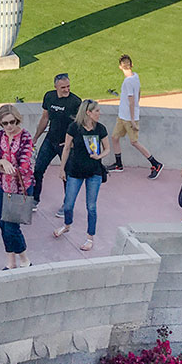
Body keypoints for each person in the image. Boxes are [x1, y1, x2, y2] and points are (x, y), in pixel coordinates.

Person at [55, 99, 111, 251]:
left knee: (91, 206)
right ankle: (67, 225)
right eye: (97, 111)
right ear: (88, 112)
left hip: (94, 172)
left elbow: (107, 148)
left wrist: (100, 156)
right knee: (68, 203)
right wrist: (62, 169)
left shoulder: (100, 129)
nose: (99, 114)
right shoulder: (74, 127)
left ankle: (89, 237)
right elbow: (66, 148)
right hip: (75, 171)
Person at [0, 104, 34, 268]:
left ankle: (24, 259)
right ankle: (11, 262)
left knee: (11, 228)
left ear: (17, 120)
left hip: (20, 189)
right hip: (3, 186)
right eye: (5, 123)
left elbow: (23, 167)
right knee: (2, 225)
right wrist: (2, 162)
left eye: (12, 122)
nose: (9, 126)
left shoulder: (26, 137)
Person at [31, 71, 81, 215]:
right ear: (55, 87)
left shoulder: (75, 102)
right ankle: (35, 199)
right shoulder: (49, 96)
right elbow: (45, 118)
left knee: (67, 175)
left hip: (65, 144)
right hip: (50, 140)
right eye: (63, 87)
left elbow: (80, 125)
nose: (66, 90)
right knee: (38, 170)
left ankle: (67, 205)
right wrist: (36, 137)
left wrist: (72, 144)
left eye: (68, 87)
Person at [107, 54, 163, 178]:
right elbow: (138, 93)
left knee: (134, 142)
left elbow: (132, 101)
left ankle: (155, 164)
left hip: (128, 118)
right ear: (131, 65)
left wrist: (132, 119)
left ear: (120, 67)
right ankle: (118, 164)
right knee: (115, 137)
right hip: (122, 116)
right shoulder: (136, 77)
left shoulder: (128, 82)